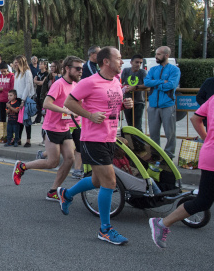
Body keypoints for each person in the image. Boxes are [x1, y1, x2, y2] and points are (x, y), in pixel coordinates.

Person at [58, 46, 133, 245]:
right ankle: (105, 229)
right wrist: (90, 115)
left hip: (109, 137)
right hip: (93, 139)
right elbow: (69, 102)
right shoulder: (89, 82)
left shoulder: (116, 82)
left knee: (98, 182)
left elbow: (112, 108)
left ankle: (67, 194)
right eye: (119, 58)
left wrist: (124, 105)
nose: (122, 62)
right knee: (110, 182)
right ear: (106, 62)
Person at [12, 56, 83, 200]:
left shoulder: (75, 84)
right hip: (52, 127)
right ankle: (22, 166)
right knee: (52, 162)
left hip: (65, 127)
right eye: (78, 69)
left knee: (69, 159)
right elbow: (46, 103)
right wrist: (66, 111)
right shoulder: (59, 84)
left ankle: (53, 191)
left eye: (82, 68)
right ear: (68, 69)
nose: (81, 71)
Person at [149, 94, 214, 250]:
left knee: (203, 201)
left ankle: (161, 223)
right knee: (203, 201)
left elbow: (195, 118)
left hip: (209, 152)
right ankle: (161, 223)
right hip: (211, 157)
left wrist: (207, 139)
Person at [144, 46, 180, 159]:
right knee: (153, 133)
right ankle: (155, 154)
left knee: (170, 133)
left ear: (166, 55)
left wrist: (155, 84)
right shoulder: (153, 69)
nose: (156, 56)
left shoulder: (174, 70)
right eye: (156, 54)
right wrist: (161, 83)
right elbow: (147, 82)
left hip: (168, 105)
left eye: (159, 54)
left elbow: (171, 85)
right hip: (153, 105)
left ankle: (169, 155)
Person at [120, 54, 147, 132]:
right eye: (136, 62)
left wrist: (135, 87)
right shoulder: (126, 70)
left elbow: (147, 84)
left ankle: (139, 143)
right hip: (127, 102)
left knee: (137, 126)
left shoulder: (143, 72)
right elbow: (121, 83)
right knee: (130, 125)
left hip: (138, 102)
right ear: (131, 62)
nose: (138, 64)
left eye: (140, 63)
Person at [13, 55, 34, 147]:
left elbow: (27, 87)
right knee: (19, 120)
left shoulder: (27, 72)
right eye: (15, 62)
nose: (15, 64)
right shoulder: (17, 73)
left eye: (17, 62)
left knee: (26, 120)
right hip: (18, 98)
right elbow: (16, 86)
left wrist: (23, 100)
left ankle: (28, 140)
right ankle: (18, 138)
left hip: (25, 98)